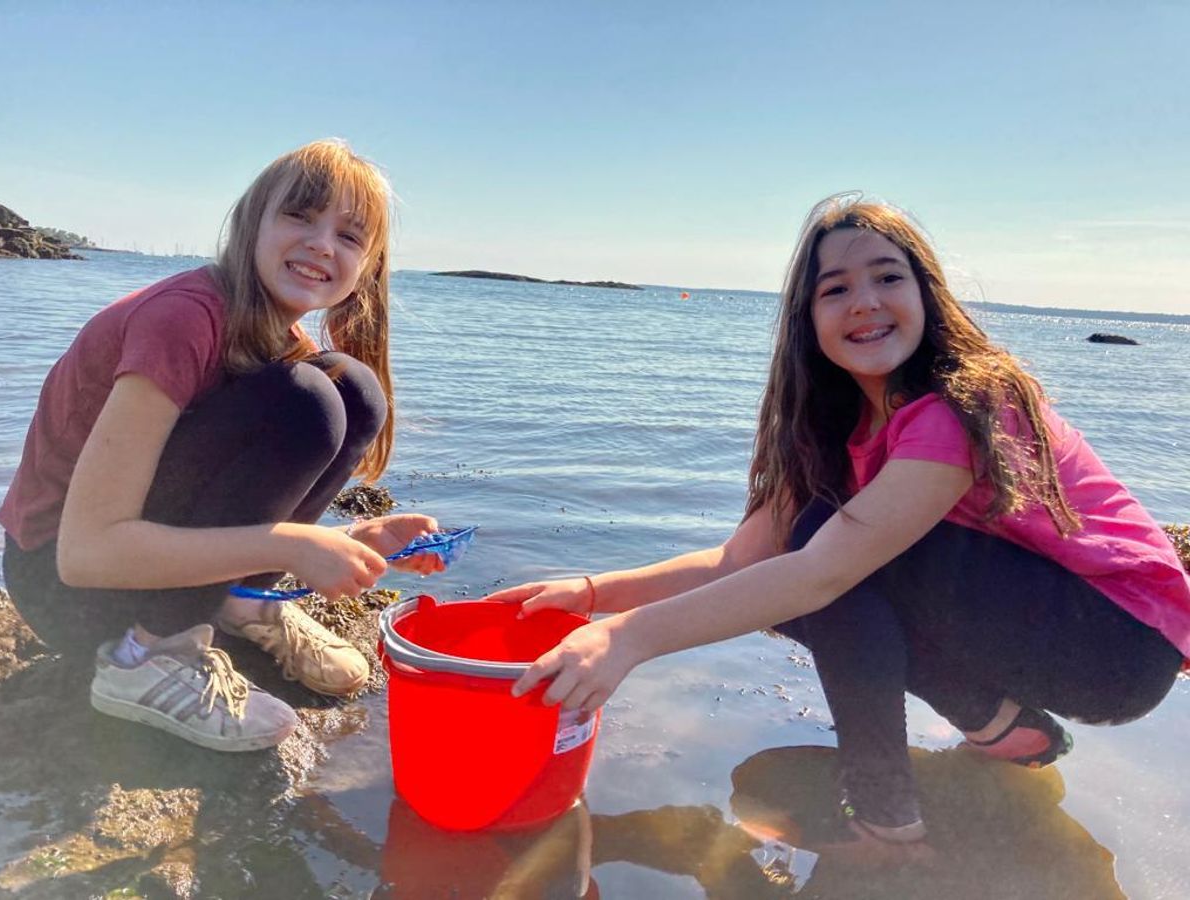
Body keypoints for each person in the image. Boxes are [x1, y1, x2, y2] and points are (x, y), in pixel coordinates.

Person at [487, 195, 1190, 852]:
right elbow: (738, 563)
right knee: (797, 562)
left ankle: (884, 819)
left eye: (887, 277)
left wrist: (626, 640)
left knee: (820, 549)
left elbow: (820, 571)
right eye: (835, 289)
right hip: (1046, 629)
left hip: (1119, 643)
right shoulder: (837, 433)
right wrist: (592, 595)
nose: (865, 302)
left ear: (926, 294)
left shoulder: (961, 404)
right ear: (808, 318)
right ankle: (1000, 727)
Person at [0, 139, 444, 752]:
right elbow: (84, 554)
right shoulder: (182, 319)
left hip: (126, 571)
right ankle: (145, 657)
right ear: (250, 223)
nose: (322, 244)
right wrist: (289, 545)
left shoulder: (276, 336)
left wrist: (348, 539)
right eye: (300, 215)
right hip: (64, 585)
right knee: (307, 402)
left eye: (349, 235)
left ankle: (241, 600)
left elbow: (231, 490)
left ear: (367, 266)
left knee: (354, 390)